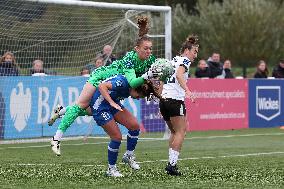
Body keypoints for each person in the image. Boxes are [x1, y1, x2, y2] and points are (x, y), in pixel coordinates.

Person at [49, 16, 159, 151]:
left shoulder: (149, 58)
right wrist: (148, 77)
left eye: (150, 49)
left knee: (89, 111)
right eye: (146, 49)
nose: (149, 51)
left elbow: (145, 50)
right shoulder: (130, 59)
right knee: (81, 105)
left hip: (112, 84)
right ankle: (56, 139)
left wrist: (155, 90)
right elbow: (133, 81)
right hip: (101, 76)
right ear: (138, 49)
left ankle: (61, 111)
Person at [51, 74, 158, 176]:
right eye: (139, 95)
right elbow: (102, 86)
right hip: (100, 107)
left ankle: (128, 155)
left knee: (134, 126)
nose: (138, 98)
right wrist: (111, 102)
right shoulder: (122, 83)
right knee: (116, 137)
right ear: (135, 89)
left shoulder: (134, 83)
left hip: (111, 103)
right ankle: (111, 169)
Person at [159, 35, 198, 176]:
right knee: (181, 132)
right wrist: (187, 90)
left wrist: (161, 97)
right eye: (194, 51)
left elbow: (163, 79)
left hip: (164, 100)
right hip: (175, 100)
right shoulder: (185, 61)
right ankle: (172, 165)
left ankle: (171, 164)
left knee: (174, 132)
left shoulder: (172, 60)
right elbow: (179, 75)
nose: (195, 55)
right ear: (187, 50)